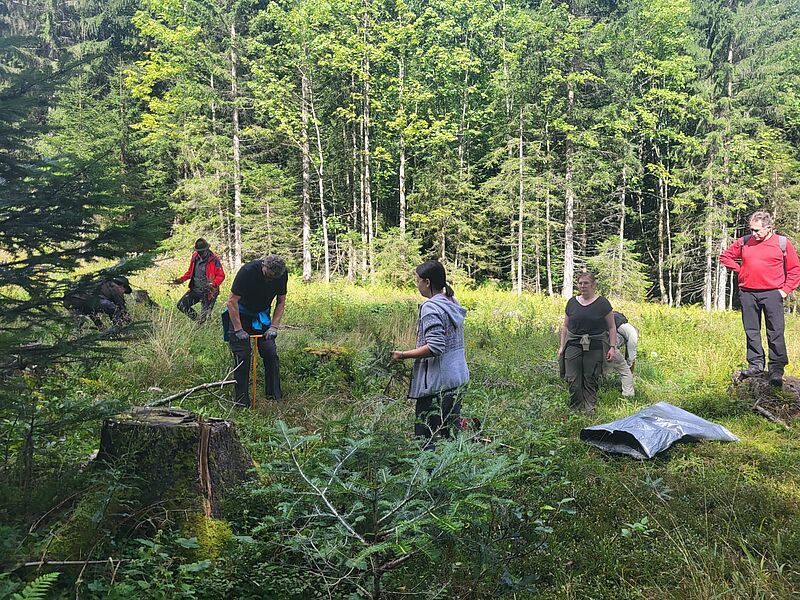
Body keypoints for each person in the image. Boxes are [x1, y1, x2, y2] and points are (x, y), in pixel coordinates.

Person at [391, 260, 469, 449]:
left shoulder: (431, 307)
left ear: (426, 282)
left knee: (425, 437)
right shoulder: (451, 301)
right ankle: (455, 474)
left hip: (436, 384)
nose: (416, 285)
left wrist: (402, 354)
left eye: (417, 281)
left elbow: (435, 347)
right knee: (450, 434)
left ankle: (428, 475)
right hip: (456, 378)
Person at [719, 210, 800, 387]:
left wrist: (785, 291)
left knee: (775, 331)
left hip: (773, 293)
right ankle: (755, 365)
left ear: (769, 228)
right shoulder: (744, 242)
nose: (754, 234)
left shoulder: (782, 243)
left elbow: (795, 270)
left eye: (757, 230)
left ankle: (776, 369)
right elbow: (725, 257)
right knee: (752, 331)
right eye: (752, 229)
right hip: (748, 293)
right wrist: (741, 270)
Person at [222, 254, 287, 406]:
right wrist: (238, 329)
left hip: (261, 316)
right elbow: (232, 302)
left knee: (270, 352)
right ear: (263, 266)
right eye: (268, 276)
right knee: (243, 356)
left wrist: (274, 326)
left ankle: (274, 396)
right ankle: (241, 402)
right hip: (240, 313)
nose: (270, 280)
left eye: (273, 278)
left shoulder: (282, 274)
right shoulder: (247, 271)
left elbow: (281, 302)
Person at [558, 271, 617, 414]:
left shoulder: (602, 303)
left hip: (595, 344)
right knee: (572, 378)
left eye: (586, 283)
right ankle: (576, 407)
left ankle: (590, 408)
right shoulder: (572, 302)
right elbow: (565, 326)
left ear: (593, 285)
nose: (583, 286)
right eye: (580, 283)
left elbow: (611, 326)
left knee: (590, 377)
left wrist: (612, 347)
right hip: (573, 343)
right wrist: (561, 346)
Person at [174, 238, 225, 323]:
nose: (200, 253)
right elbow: (190, 272)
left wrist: (213, 284)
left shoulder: (214, 259)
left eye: (202, 251)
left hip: (209, 292)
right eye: (198, 251)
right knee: (181, 305)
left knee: (205, 317)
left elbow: (221, 275)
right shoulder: (195, 257)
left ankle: (203, 323)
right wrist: (181, 279)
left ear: (207, 249)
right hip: (195, 290)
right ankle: (198, 320)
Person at [63, 275, 133, 329]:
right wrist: (130, 322)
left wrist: (101, 327)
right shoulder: (116, 287)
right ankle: (118, 330)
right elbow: (121, 308)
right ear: (123, 286)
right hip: (84, 300)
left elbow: (91, 311)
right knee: (115, 309)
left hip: (71, 299)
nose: (123, 293)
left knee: (78, 322)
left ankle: (74, 339)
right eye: (124, 291)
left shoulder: (101, 284)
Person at [603, 311, 637, 397]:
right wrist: (630, 363)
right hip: (609, 346)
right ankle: (628, 395)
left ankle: (601, 386)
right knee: (626, 371)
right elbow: (632, 349)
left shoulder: (605, 320)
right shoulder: (632, 332)